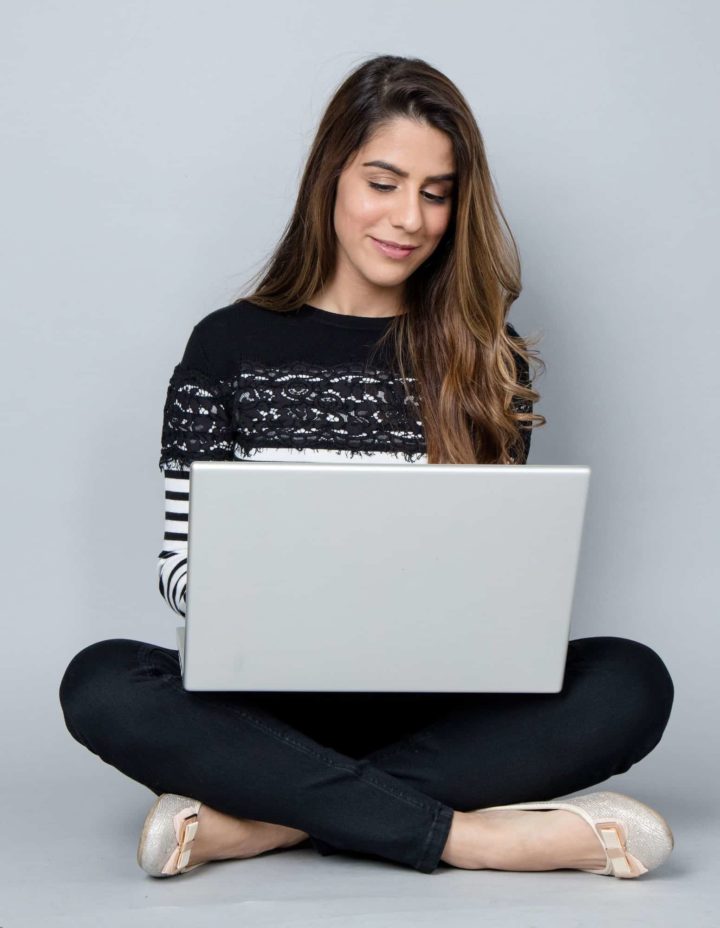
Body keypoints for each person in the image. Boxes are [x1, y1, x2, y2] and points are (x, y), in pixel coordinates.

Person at [58, 54, 675, 880]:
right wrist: (261, 596)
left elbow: (500, 579)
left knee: (633, 681)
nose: (409, 219)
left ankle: (264, 819)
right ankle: (470, 837)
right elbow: (178, 565)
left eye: (436, 191)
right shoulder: (225, 346)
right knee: (100, 682)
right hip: (261, 703)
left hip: (439, 708)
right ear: (331, 178)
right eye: (383, 182)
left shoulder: (488, 360)